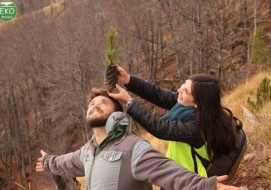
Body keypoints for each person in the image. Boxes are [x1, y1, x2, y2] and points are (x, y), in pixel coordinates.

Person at [36, 87, 239, 190]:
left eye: (103, 103)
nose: (95, 105)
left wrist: (206, 186)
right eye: (92, 103)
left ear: (116, 113)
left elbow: (168, 172)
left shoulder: (132, 147)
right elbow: (63, 163)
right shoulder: (87, 152)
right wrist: (46, 161)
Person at [108, 66, 243, 179]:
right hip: (177, 173)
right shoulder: (193, 108)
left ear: (198, 103)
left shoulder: (197, 128)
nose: (179, 91)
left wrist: (130, 102)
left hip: (189, 181)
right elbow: (158, 94)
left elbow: (159, 128)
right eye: (183, 85)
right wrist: (128, 80)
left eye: (186, 91)